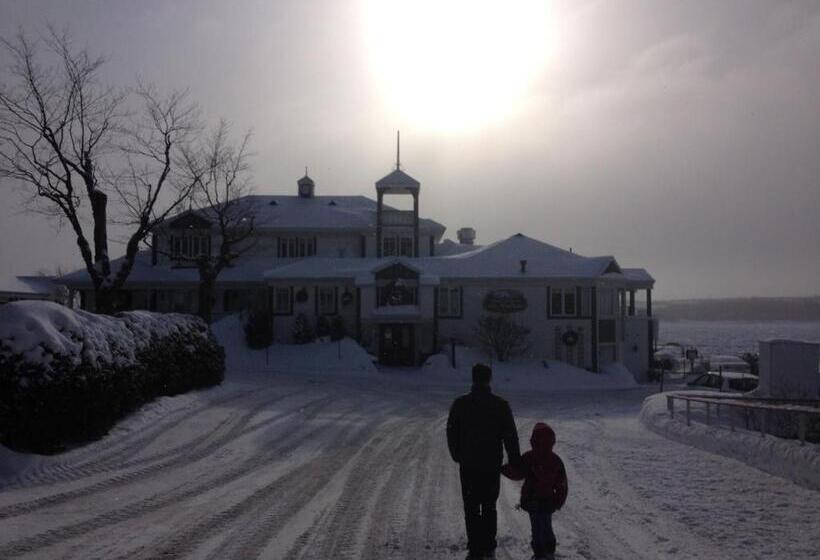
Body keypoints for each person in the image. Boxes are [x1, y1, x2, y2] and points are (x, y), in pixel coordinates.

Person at [447, 363, 521, 560]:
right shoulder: (500, 405)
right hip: (490, 464)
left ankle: (475, 546)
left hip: (469, 463)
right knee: (489, 505)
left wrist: (457, 454)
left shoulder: (461, 404)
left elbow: (452, 431)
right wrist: (515, 460)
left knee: (471, 506)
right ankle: (488, 545)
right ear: (489, 379)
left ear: (473, 379)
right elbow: (510, 436)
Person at [501, 422, 568, 560]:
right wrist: (558, 501)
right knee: (546, 525)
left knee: (537, 527)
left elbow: (517, 472)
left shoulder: (529, 457)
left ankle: (540, 553)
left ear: (533, 440)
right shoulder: (555, 460)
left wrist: (502, 468)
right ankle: (548, 551)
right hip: (547, 500)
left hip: (532, 499)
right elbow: (562, 484)